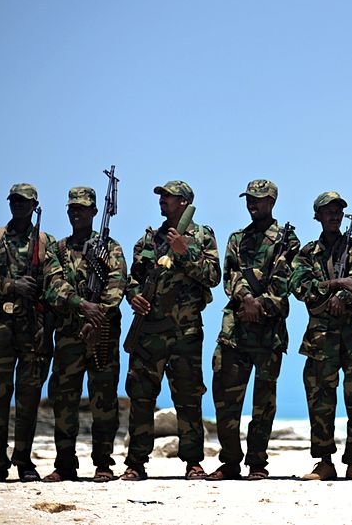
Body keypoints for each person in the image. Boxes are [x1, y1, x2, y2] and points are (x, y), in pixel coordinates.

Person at [0, 183, 70, 483]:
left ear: (34, 204)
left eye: (24, 201)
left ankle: (24, 461)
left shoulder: (45, 242)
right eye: (14, 200)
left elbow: (56, 280)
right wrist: (12, 286)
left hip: (34, 331)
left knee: (29, 398)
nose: (18, 205)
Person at [122, 180, 220, 481]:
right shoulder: (150, 239)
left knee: (189, 398)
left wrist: (185, 252)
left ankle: (193, 462)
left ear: (185, 202)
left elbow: (213, 277)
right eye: (161, 196)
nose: (163, 200)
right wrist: (133, 295)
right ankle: (136, 463)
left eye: (169, 196)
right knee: (140, 396)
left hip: (185, 331)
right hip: (149, 330)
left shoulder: (202, 236)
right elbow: (133, 277)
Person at [209, 179, 299, 481]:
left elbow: (286, 281)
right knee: (226, 401)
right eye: (249, 199)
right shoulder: (237, 239)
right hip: (234, 333)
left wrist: (261, 305)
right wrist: (246, 299)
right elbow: (229, 276)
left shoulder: (287, 240)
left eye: (258, 200)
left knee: (264, 404)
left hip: (268, 334)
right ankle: (230, 461)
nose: (252, 204)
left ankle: (257, 462)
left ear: (272, 202)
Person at [43, 187, 127, 483]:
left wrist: (98, 315)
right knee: (64, 400)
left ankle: (103, 463)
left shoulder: (111, 248)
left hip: (102, 334)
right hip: (69, 334)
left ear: (93, 211)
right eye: (72, 208)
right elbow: (53, 286)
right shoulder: (58, 249)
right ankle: (65, 463)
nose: (76, 212)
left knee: (103, 400)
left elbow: (117, 285)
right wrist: (82, 305)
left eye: (82, 208)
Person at [290, 191, 352, 481]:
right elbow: (300, 288)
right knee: (320, 402)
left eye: (338, 210)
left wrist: (346, 298)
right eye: (328, 211)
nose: (334, 215)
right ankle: (324, 461)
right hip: (321, 339)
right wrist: (336, 284)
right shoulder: (306, 253)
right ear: (317, 216)